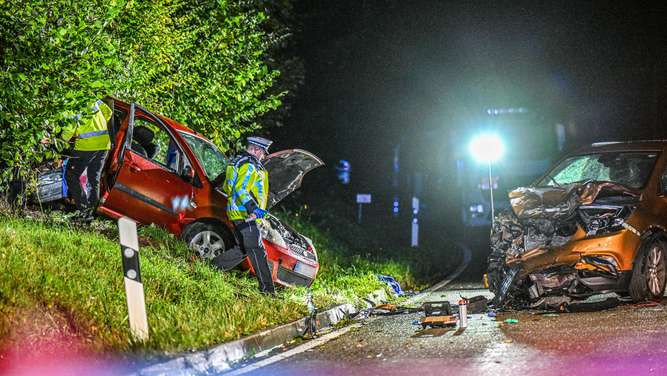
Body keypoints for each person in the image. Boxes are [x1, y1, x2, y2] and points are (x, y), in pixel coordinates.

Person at [215, 136, 275, 294]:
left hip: (237, 211)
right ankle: (268, 291)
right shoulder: (249, 165)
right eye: (263, 153)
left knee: (243, 248)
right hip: (245, 213)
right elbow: (241, 189)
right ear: (256, 149)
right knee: (257, 249)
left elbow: (227, 185)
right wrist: (253, 209)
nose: (263, 157)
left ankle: (211, 267)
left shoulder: (238, 160)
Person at [60, 99, 112, 222]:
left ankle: (84, 211)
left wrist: (61, 142)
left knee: (71, 175)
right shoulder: (91, 97)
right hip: (104, 143)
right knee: (94, 177)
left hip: (87, 145)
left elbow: (69, 129)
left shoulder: (71, 102)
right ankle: (91, 213)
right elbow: (108, 112)